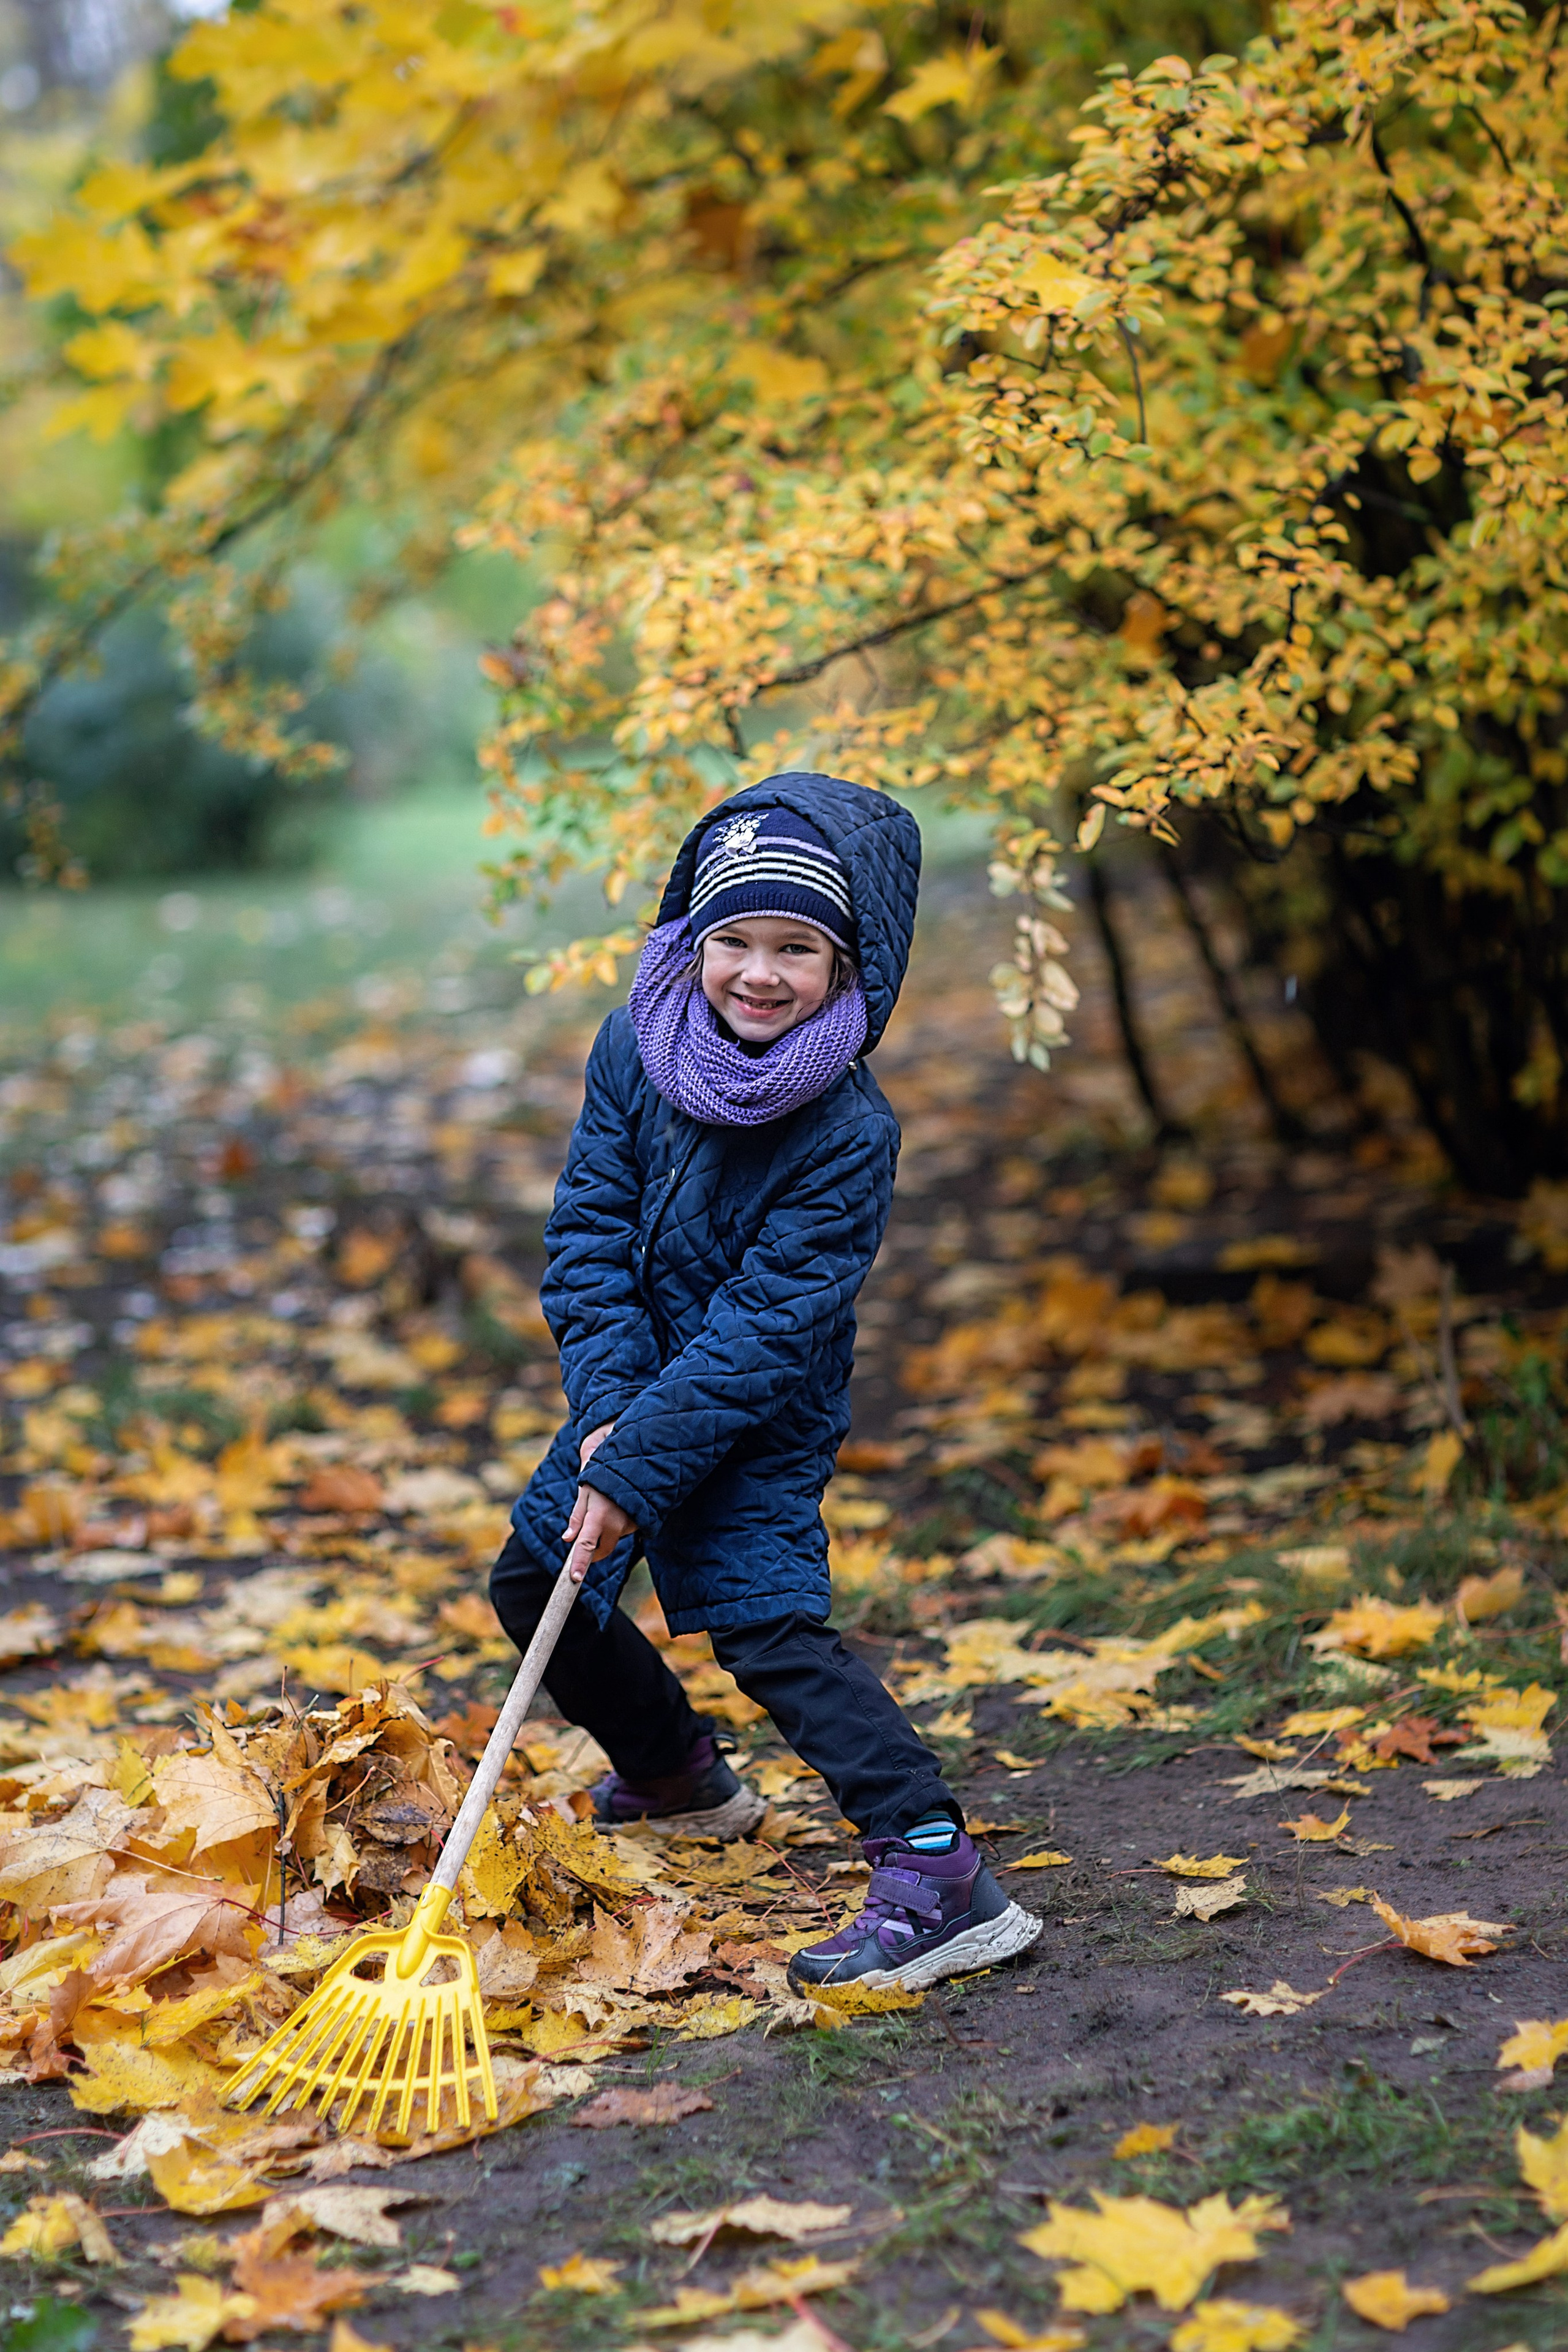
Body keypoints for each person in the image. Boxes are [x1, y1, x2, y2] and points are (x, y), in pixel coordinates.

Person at [489, 773, 1041, 1992]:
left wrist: (643, 1460)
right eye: (732, 939)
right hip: (628, 1387)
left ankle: (937, 1869)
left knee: (764, 1624)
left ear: (850, 971)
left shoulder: (847, 1130)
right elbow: (587, 1233)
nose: (756, 971)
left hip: (754, 1412)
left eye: (797, 948)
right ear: (692, 939)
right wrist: (609, 1416)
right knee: (539, 1578)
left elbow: (765, 1331)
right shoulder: (632, 1042)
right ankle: (679, 1776)